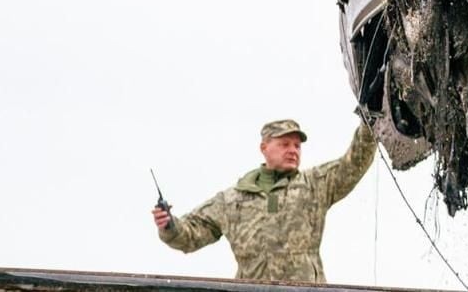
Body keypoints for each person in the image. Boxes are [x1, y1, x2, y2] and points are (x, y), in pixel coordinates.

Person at [152, 118, 374, 283]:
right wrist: (169, 225)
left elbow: (354, 163)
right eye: (285, 144)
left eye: (297, 146)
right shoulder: (232, 200)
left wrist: (369, 122)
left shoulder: (314, 186)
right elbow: (191, 234)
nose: (293, 151)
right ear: (264, 148)